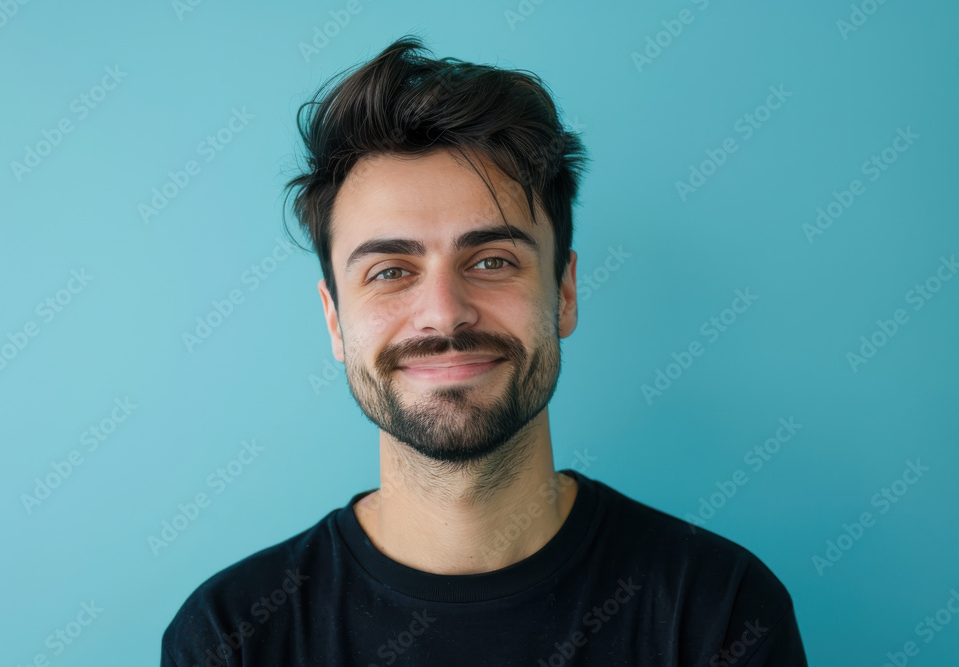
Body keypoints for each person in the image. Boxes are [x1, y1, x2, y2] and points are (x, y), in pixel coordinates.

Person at [161, 34, 808, 666]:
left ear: (565, 293)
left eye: (492, 260)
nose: (444, 312)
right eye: (389, 271)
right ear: (334, 320)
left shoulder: (717, 609)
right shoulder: (233, 636)